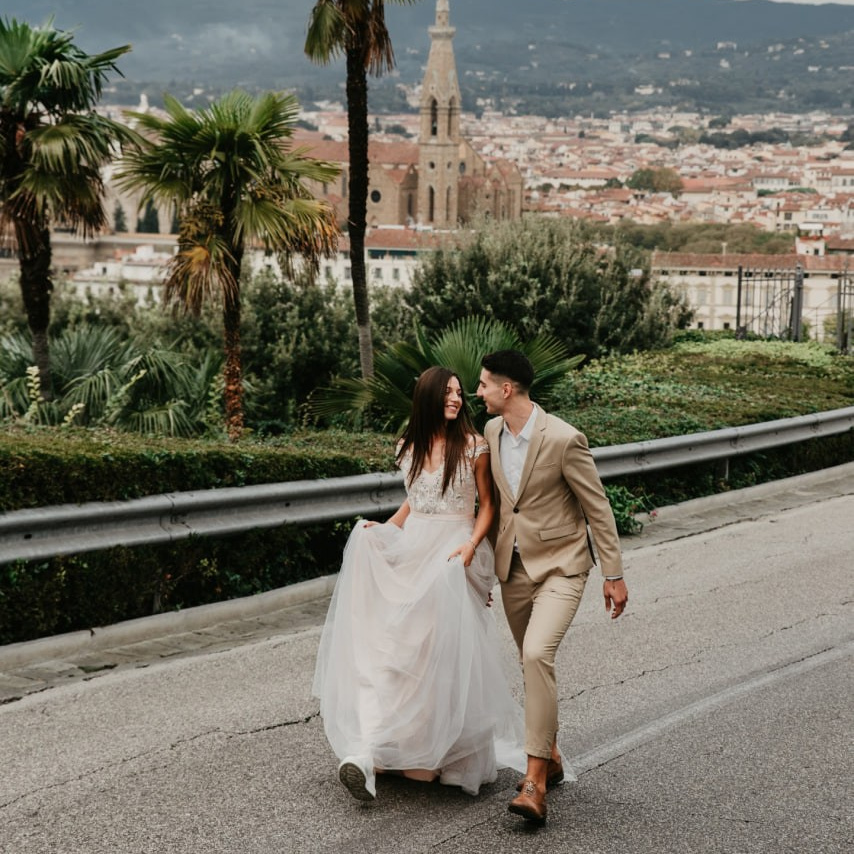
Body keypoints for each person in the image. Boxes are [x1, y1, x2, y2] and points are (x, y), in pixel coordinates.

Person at [313, 366, 526, 803]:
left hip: (453, 551)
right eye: (447, 392)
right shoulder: (407, 447)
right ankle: (379, 749)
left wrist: (470, 545)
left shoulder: (474, 446)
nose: (457, 398)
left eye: (459, 393)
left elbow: (489, 505)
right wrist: (385, 529)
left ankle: (447, 751)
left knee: (440, 650)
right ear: (429, 397)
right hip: (415, 549)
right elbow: (416, 500)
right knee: (401, 649)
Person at [476, 349, 629, 823]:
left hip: (563, 565)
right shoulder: (491, 431)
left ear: (507, 389)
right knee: (530, 663)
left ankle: (534, 783)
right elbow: (499, 506)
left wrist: (613, 573)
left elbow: (597, 507)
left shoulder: (564, 438)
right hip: (513, 569)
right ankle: (553, 757)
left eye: (483, 384)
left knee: (538, 654)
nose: (477, 392)